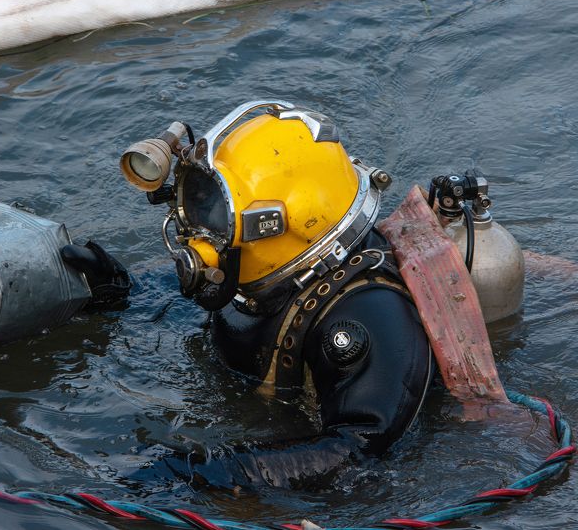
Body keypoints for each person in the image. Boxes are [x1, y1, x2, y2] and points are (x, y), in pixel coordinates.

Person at [117, 100, 436, 489]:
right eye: (197, 203)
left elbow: (359, 451)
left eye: (215, 213)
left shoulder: (371, 316)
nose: (195, 230)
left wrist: (221, 474)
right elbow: (188, 301)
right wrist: (119, 292)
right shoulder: (255, 275)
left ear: (279, 225)